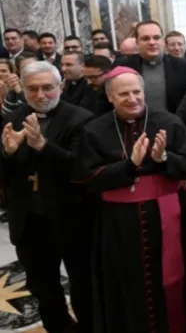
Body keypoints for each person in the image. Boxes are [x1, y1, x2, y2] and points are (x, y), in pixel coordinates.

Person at [72, 66, 186, 333]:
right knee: (127, 283)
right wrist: (129, 166)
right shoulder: (95, 129)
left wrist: (164, 158)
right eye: (124, 94)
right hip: (119, 226)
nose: (132, 98)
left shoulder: (169, 122)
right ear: (110, 97)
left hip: (168, 219)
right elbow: (87, 180)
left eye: (136, 92)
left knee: (173, 281)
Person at [1, 61, 94, 333]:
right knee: (43, 287)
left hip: (71, 218)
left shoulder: (81, 119)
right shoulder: (12, 119)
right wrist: (6, 153)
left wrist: (44, 147)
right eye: (33, 89)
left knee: (83, 284)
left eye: (47, 88)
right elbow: (5, 176)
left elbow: (81, 168)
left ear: (60, 87)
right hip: (29, 220)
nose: (40, 95)